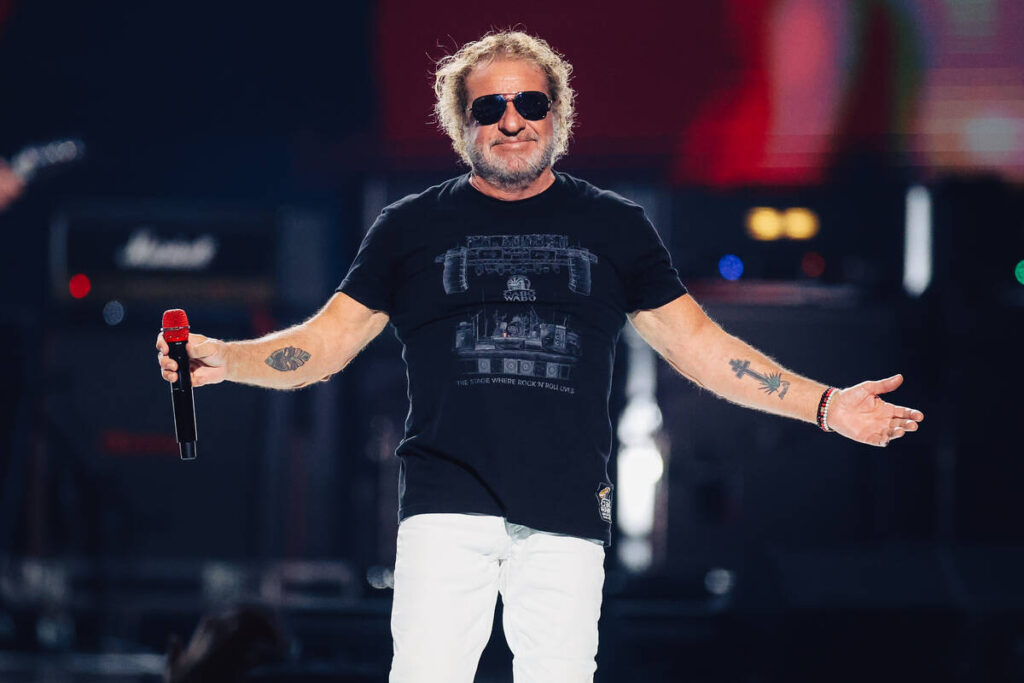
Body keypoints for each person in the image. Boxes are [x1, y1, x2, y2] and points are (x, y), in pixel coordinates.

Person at [156, 31, 924, 683]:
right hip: (444, 505)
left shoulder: (615, 226)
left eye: (531, 103)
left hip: (564, 511)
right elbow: (322, 345)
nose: (513, 120)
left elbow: (704, 350)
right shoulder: (408, 227)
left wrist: (826, 404)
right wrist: (224, 357)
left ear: (558, 114)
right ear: (462, 124)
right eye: (490, 107)